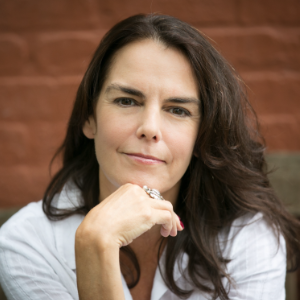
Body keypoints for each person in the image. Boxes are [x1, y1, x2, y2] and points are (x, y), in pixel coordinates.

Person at [0, 13, 299, 300]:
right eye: (127, 100)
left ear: (201, 136)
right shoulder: (27, 242)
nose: (150, 129)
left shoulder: (249, 238)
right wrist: (97, 247)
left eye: (178, 110)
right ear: (89, 118)